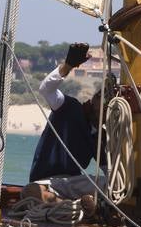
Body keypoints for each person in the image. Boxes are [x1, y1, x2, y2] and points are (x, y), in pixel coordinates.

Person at [24, 42, 106, 212]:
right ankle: (75, 207)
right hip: (47, 182)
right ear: (94, 99)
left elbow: (111, 172)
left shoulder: (101, 137)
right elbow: (46, 89)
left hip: (73, 182)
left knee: (112, 185)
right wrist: (67, 66)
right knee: (30, 191)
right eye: (102, 100)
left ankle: (81, 206)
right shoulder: (70, 107)